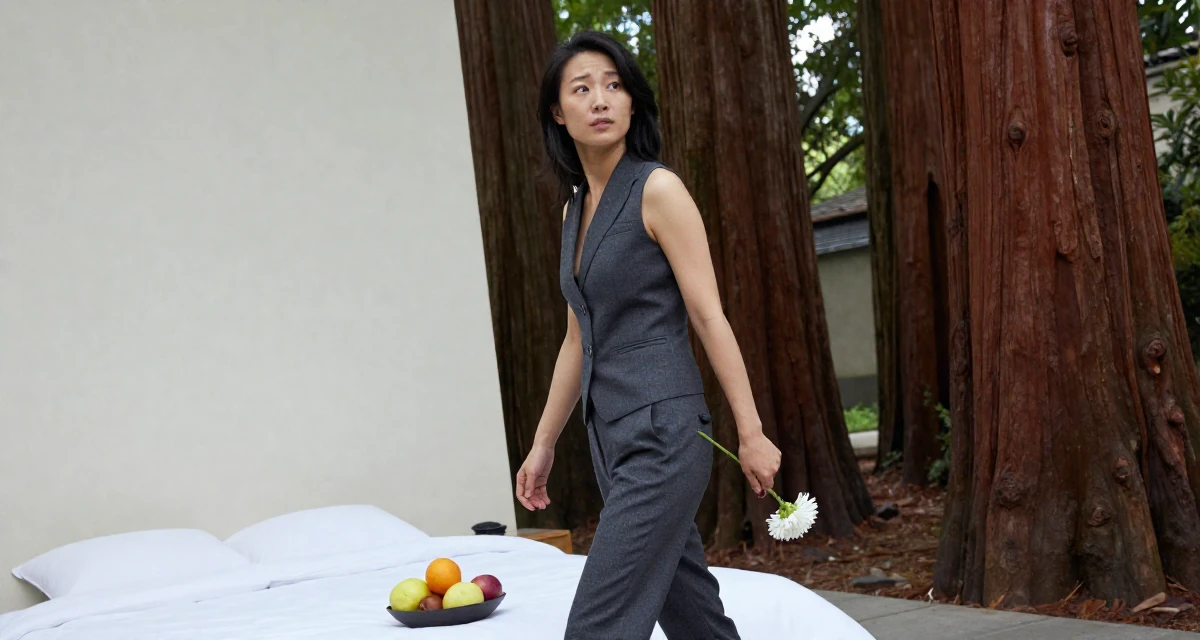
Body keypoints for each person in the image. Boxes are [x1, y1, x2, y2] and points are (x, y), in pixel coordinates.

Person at [514, 30, 782, 640]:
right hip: (611, 438)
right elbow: (577, 339)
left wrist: (751, 430)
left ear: (633, 103)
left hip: (665, 432)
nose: (601, 99)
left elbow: (709, 317)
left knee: (598, 624)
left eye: (615, 85)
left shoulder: (657, 189)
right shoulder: (573, 211)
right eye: (582, 88)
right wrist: (544, 442)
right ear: (559, 112)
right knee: (692, 615)